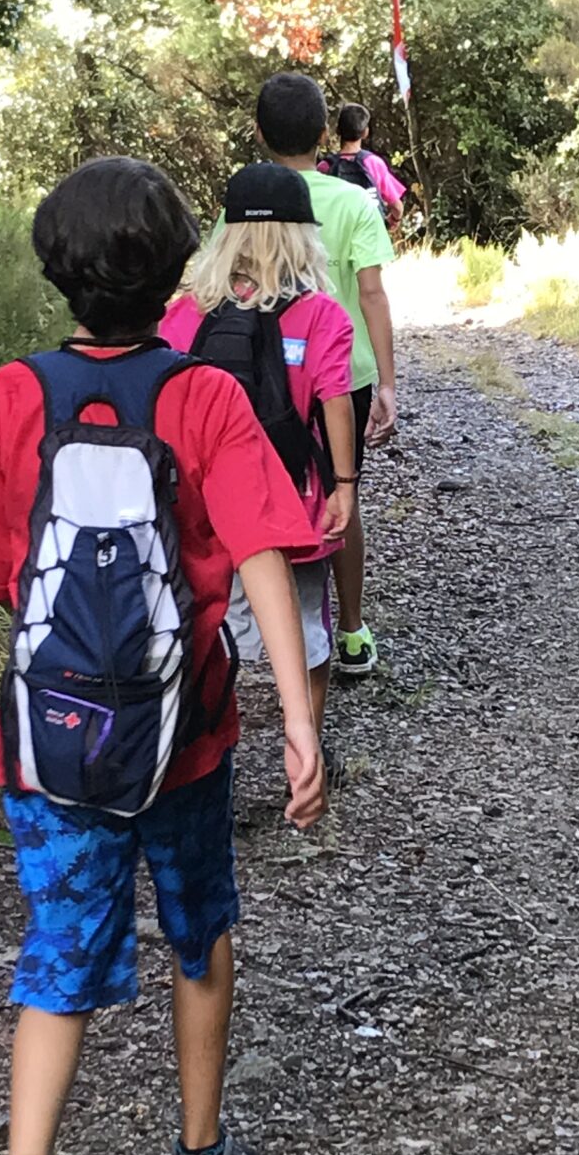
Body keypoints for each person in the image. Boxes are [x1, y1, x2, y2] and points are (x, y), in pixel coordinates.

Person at [0, 156, 328, 1155]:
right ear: (179, 273)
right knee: (199, 925)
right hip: (186, 735)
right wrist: (300, 718)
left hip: (52, 743)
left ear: (56, 273)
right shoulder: (205, 396)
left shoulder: (14, 392)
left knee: (60, 949)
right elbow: (265, 554)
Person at [162, 163, 357, 738]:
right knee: (306, 621)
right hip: (292, 499)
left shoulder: (184, 315)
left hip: (204, 503)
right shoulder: (321, 315)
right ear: (302, 236)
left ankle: (204, 738)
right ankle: (306, 743)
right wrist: (344, 487)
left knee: (207, 618)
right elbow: (335, 402)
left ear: (227, 234)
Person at [254, 72, 396, 679]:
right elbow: (372, 294)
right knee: (343, 492)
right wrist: (387, 382)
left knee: (267, 491)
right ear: (323, 134)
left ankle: (277, 629)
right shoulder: (353, 202)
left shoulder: (245, 203)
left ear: (259, 133)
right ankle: (352, 631)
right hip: (344, 373)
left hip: (263, 374)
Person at [322, 101, 409, 237]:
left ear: (338, 130)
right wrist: (393, 220)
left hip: (336, 238)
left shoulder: (325, 167)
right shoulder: (373, 163)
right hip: (369, 239)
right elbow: (397, 207)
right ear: (365, 132)